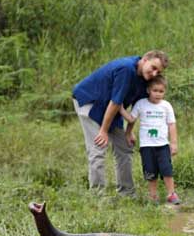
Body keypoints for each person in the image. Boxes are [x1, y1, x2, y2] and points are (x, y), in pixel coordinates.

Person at [72, 51, 168, 196]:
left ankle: (127, 193)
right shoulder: (126, 69)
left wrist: (128, 132)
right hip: (90, 101)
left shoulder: (145, 79)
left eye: (158, 71)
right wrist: (104, 131)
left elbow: (136, 108)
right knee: (98, 146)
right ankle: (97, 196)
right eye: (153, 67)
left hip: (111, 107)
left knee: (125, 146)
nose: (154, 74)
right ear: (145, 59)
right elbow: (115, 102)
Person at [124, 75, 180, 204]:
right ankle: (153, 196)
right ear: (148, 90)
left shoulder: (166, 106)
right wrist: (120, 108)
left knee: (167, 169)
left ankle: (171, 194)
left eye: (161, 91)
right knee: (150, 171)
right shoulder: (141, 104)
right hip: (146, 146)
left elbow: (172, 124)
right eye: (155, 90)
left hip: (163, 145)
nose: (158, 94)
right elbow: (132, 120)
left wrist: (174, 143)